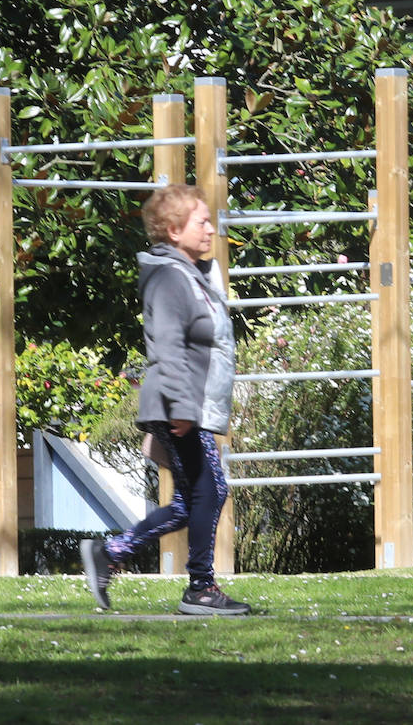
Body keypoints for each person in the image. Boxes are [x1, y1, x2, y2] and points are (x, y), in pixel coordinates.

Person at [81, 184, 249, 615]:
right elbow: (168, 347)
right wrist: (181, 408)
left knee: (189, 500)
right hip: (177, 406)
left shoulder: (189, 272)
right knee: (210, 491)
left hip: (185, 407)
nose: (212, 229)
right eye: (202, 222)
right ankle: (200, 588)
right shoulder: (170, 277)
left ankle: (112, 553)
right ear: (174, 230)